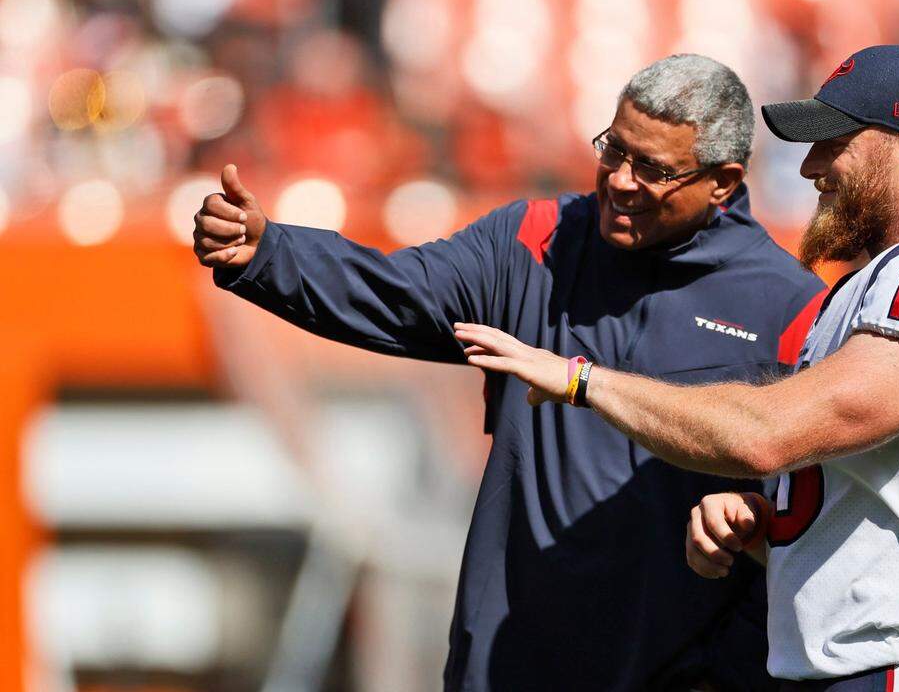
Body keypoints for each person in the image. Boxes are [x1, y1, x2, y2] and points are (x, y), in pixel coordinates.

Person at [193, 54, 826, 691]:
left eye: (654, 169)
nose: (621, 181)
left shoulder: (789, 311)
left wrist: (747, 532)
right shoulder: (534, 240)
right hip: (512, 663)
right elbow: (395, 292)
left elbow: (816, 515)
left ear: (723, 183)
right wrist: (270, 252)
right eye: (614, 150)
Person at [454, 44, 899, 689]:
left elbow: (768, 433)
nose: (812, 165)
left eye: (836, 141)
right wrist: (766, 525)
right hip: (834, 669)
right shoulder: (859, 293)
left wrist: (581, 380)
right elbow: (874, 500)